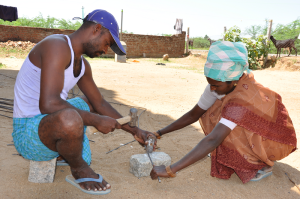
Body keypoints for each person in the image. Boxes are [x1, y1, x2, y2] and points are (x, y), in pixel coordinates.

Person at [12, 9, 156, 195]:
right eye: (107, 44)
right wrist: (96, 120)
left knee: (88, 103)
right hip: (28, 134)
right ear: (96, 29)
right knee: (71, 118)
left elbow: (100, 104)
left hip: (48, 123)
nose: (105, 51)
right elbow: (48, 104)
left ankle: (64, 151)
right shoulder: (56, 46)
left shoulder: (82, 65)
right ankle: (78, 168)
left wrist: (135, 131)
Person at [150, 41, 297, 183]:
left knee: (228, 126)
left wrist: (170, 169)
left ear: (233, 80)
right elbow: (193, 114)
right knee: (213, 113)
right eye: (210, 84)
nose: (212, 89)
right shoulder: (218, 85)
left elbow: (214, 139)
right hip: (251, 124)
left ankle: (261, 162)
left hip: (273, 139)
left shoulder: (242, 99)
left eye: (216, 85)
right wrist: (159, 133)